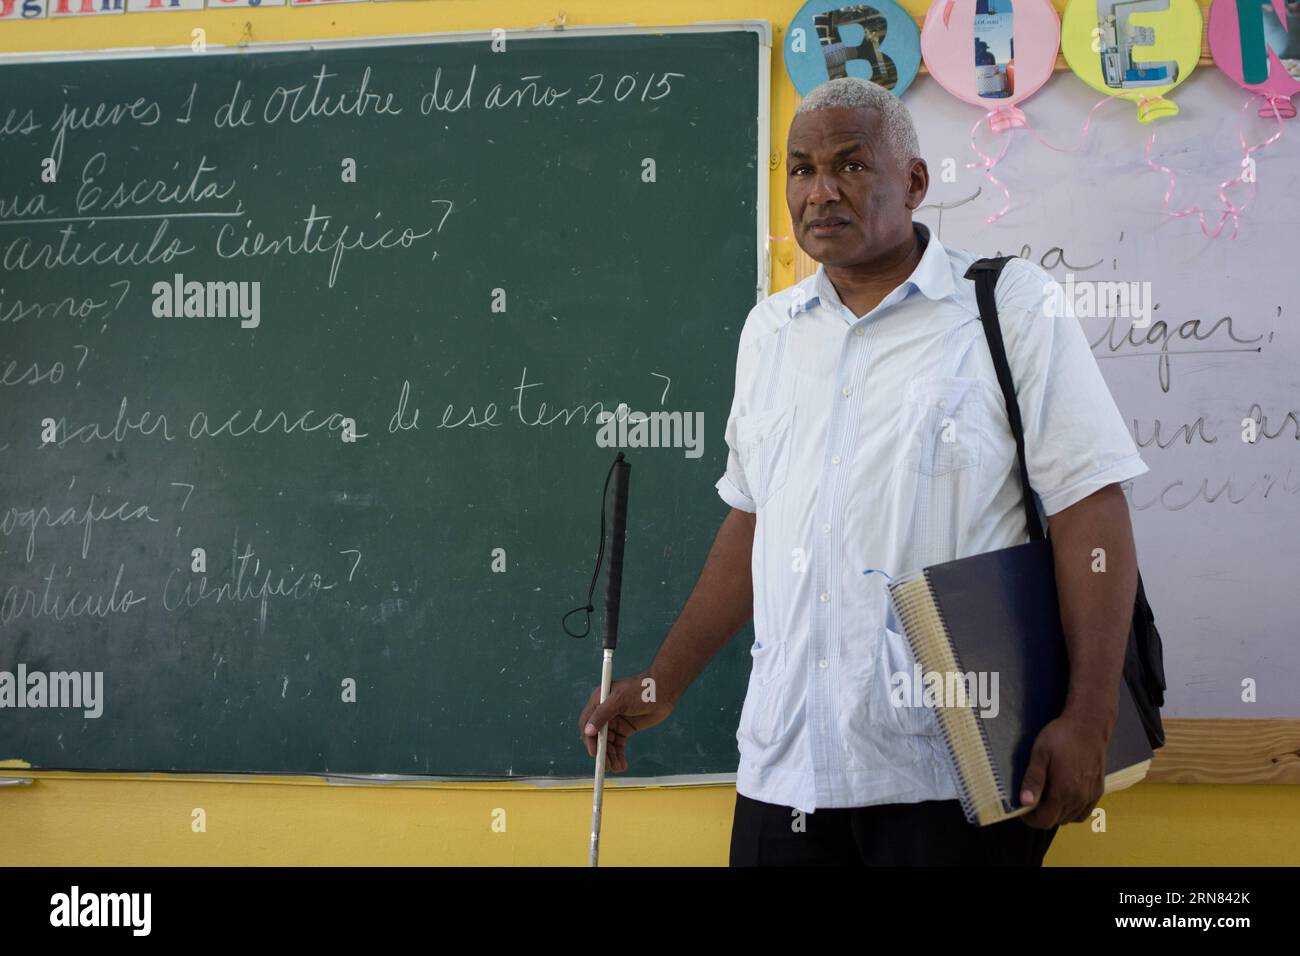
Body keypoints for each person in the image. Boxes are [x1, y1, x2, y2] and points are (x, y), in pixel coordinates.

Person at [577, 76, 1148, 866]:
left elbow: (1093, 506)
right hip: (787, 767)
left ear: (913, 182)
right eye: (801, 169)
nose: (820, 192)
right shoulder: (770, 333)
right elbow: (753, 519)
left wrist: (1089, 717)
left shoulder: (1008, 307)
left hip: (957, 771)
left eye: (850, 165)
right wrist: (664, 680)